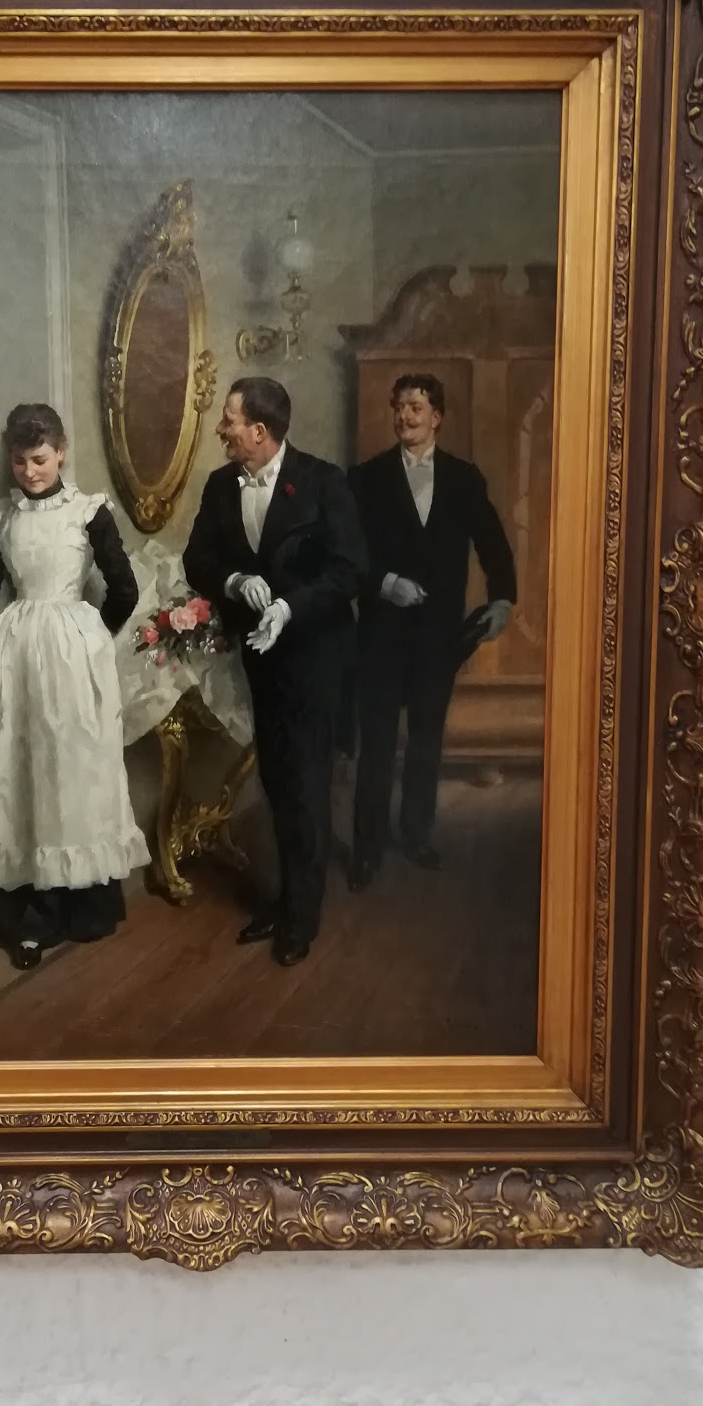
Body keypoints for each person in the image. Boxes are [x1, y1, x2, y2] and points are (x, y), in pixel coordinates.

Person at [0, 403, 148, 970]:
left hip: (72, 654)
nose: (30, 472)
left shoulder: (88, 512)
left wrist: (89, 636)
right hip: (16, 653)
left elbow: (124, 589)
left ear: (61, 452)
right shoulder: (3, 516)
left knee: (73, 769)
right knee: (18, 769)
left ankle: (79, 906)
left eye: (39, 459)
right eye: (19, 462)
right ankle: (28, 916)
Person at [182, 377, 367, 966]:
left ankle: (301, 919)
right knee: (279, 782)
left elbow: (351, 571)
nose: (221, 428)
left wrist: (289, 606)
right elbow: (196, 559)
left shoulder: (323, 482)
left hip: (317, 657)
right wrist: (235, 580)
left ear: (259, 431)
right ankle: (287, 899)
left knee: (307, 786)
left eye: (229, 419)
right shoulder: (220, 485)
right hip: (262, 659)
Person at [348, 372, 516, 884]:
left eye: (415, 407)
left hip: (438, 636)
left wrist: (503, 598)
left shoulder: (464, 478)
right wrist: (385, 584)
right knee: (378, 740)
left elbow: (493, 544)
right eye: (399, 407)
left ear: (437, 417)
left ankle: (416, 835)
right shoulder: (366, 478)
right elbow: (348, 555)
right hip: (380, 633)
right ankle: (368, 846)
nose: (405, 416)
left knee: (426, 739)